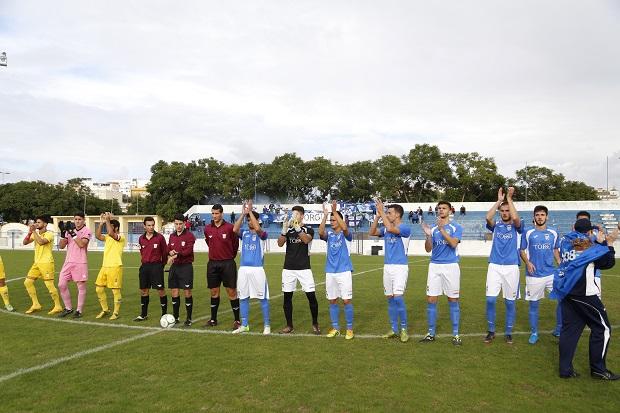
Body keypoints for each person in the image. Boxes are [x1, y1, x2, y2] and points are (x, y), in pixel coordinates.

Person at [552, 218, 618, 380]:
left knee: (569, 331)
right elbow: (607, 263)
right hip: (584, 293)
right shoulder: (588, 246)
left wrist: (600, 240)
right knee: (603, 329)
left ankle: (565, 370)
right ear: (589, 232)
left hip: (567, 293)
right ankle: (598, 369)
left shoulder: (566, 242)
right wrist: (607, 244)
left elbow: (584, 247)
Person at [420, 201, 463, 345]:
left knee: (453, 299)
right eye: (439, 208)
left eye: (444, 208)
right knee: (431, 299)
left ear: (450, 210)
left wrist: (441, 229)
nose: (441, 210)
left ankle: (456, 335)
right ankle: (431, 333)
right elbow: (428, 249)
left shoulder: (456, 227)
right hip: (434, 266)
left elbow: (453, 243)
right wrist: (428, 236)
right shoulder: (433, 229)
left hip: (451, 266)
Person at [369, 199, 411, 343]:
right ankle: (394, 329)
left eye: (389, 212)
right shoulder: (386, 228)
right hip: (387, 267)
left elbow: (392, 229)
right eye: (387, 212)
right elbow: (372, 232)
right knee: (390, 299)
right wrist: (377, 216)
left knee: (398, 297)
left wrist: (381, 212)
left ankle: (404, 329)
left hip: (400, 267)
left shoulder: (405, 228)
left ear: (398, 215)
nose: (387, 214)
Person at [484, 187, 522, 344]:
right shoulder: (496, 225)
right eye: (503, 210)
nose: (505, 213)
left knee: (509, 302)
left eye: (507, 210)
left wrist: (510, 199)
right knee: (491, 300)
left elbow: (516, 219)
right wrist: (499, 201)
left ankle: (508, 332)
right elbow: (488, 217)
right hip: (494, 266)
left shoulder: (517, 225)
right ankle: (491, 331)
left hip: (512, 267)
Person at [519, 205, 561, 343]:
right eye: (537, 215)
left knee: (563, 300)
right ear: (534, 217)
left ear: (546, 217)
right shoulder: (528, 232)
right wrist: (528, 263)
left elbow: (555, 250)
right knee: (534, 305)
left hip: (551, 273)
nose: (540, 217)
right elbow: (522, 250)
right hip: (534, 275)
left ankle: (559, 329)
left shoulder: (554, 232)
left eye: (542, 215)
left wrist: (560, 263)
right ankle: (534, 333)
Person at [278, 205, 320, 335]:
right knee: (287, 297)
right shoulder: (290, 229)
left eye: (296, 214)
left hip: (304, 268)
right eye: (293, 214)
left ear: (302, 216)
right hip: (288, 268)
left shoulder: (309, 229)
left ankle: (315, 323)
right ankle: (289, 325)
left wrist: (298, 228)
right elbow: (280, 243)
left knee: (311, 296)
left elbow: (306, 240)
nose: (294, 216)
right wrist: (284, 231)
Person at [232, 200, 271, 335]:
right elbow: (234, 229)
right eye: (248, 220)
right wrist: (244, 214)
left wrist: (250, 212)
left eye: (251, 219)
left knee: (262, 298)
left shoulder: (262, 235)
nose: (249, 222)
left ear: (257, 219)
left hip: (257, 269)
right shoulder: (244, 233)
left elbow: (258, 229)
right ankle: (244, 324)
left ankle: (267, 325)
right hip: (243, 269)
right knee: (243, 297)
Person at [319, 200, 355, 340]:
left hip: (344, 271)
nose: (332, 221)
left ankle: (350, 329)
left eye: (334, 220)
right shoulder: (330, 235)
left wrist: (334, 211)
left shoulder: (346, 235)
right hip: (330, 272)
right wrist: (326, 215)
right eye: (331, 220)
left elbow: (345, 227)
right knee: (332, 300)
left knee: (346, 301)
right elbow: (320, 232)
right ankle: (335, 327)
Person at [203, 204, 240, 329]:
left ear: (222, 214)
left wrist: (229, 256)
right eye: (212, 214)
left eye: (216, 213)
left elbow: (235, 245)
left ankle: (237, 320)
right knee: (214, 292)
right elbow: (209, 243)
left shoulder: (230, 227)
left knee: (231, 291)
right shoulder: (207, 228)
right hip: (212, 263)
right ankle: (213, 319)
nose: (214, 216)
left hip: (228, 263)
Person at [22, 215, 63, 315]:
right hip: (37, 263)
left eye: (39, 222)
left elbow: (41, 242)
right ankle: (36, 304)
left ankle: (58, 306)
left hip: (47, 263)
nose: (36, 224)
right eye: (36, 222)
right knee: (27, 282)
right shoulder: (35, 233)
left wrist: (34, 231)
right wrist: (29, 232)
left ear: (45, 224)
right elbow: (25, 242)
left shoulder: (49, 234)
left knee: (49, 285)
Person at [57, 212, 92, 318]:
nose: (77, 221)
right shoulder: (69, 230)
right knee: (61, 284)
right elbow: (61, 246)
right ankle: (68, 308)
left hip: (80, 262)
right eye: (75, 219)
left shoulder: (87, 231)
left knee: (81, 287)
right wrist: (63, 233)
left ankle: (79, 311)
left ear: (84, 220)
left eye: (79, 219)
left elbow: (82, 244)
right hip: (68, 262)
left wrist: (72, 233)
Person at [133, 216, 168, 321]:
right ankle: (143, 315)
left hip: (157, 266)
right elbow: (142, 253)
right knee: (144, 291)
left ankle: (164, 314)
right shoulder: (141, 238)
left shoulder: (160, 238)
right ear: (144, 226)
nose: (151, 227)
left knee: (160, 290)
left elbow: (165, 253)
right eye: (149, 225)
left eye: (152, 225)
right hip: (144, 267)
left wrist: (161, 265)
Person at [94, 212, 126, 320]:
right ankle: (105, 309)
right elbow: (97, 236)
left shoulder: (121, 237)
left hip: (115, 266)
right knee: (99, 289)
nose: (109, 229)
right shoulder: (107, 237)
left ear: (116, 228)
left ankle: (116, 312)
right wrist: (102, 223)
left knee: (115, 291)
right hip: (105, 266)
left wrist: (108, 220)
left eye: (111, 227)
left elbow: (112, 234)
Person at [168, 213, 196, 326]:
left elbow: (188, 251)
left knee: (187, 292)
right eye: (176, 224)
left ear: (184, 223)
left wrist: (175, 255)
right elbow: (169, 248)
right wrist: (170, 252)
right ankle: (176, 317)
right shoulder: (172, 236)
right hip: (175, 267)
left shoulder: (190, 236)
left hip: (186, 267)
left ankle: (189, 318)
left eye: (180, 224)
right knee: (174, 292)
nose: (178, 226)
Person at [575, 211, 603, 299]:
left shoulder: (597, 234)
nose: (583, 222)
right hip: (577, 275)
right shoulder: (572, 236)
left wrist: (601, 233)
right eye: (580, 220)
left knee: (596, 302)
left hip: (594, 274)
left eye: (585, 220)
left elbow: (602, 252)